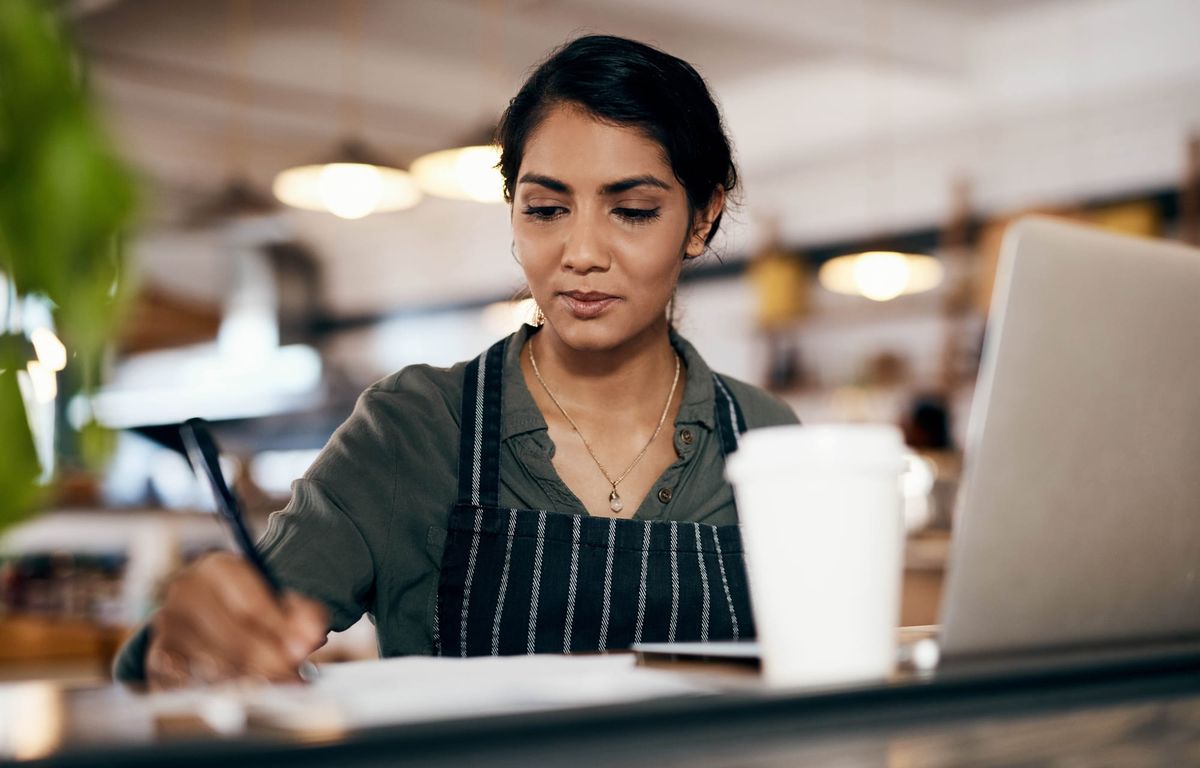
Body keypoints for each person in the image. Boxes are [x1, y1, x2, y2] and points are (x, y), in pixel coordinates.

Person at [114, 34, 799, 688]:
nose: (583, 252)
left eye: (634, 210)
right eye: (546, 209)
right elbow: (195, 658)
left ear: (702, 218)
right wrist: (190, 644)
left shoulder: (769, 440)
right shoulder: (415, 428)